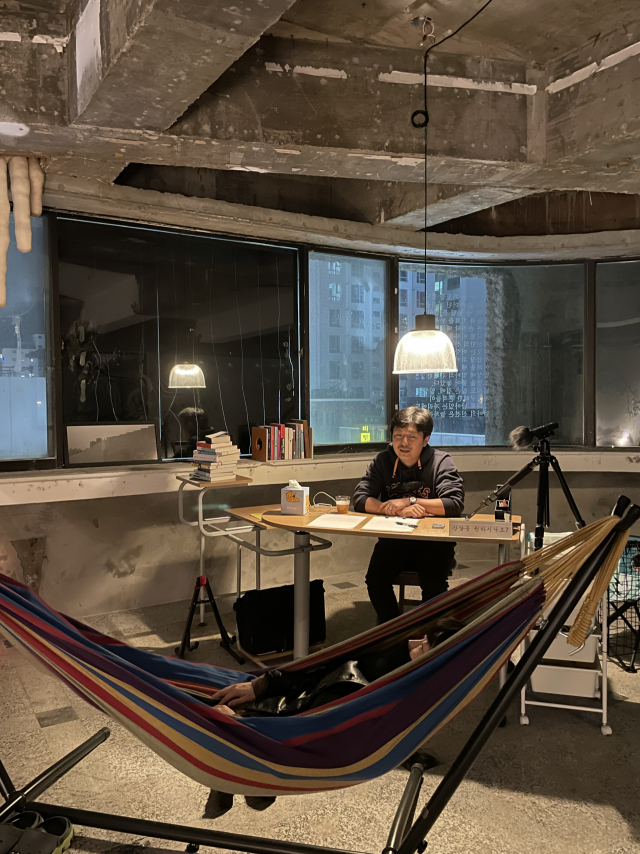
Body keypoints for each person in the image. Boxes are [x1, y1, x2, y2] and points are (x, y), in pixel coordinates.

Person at [203, 616, 464, 817]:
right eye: (422, 638)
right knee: (213, 701)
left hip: (292, 725)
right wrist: (262, 684)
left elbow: (318, 727)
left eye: (423, 646)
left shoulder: (387, 697)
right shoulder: (390, 661)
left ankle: (244, 780)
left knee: (212, 717)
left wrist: (240, 725)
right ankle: (243, 782)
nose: (414, 642)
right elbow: (323, 672)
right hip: (295, 703)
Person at [352, 407, 465, 623]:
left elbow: (454, 504)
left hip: (434, 542)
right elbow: (360, 499)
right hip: (395, 539)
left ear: (425, 439)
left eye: (412, 437)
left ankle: (427, 630)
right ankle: (394, 629)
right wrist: (394, 509)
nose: (404, 443)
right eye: (398, 436)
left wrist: (410, 501)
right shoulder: (382, 461)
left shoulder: (441, 461)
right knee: (375, 579)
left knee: (433, 584)